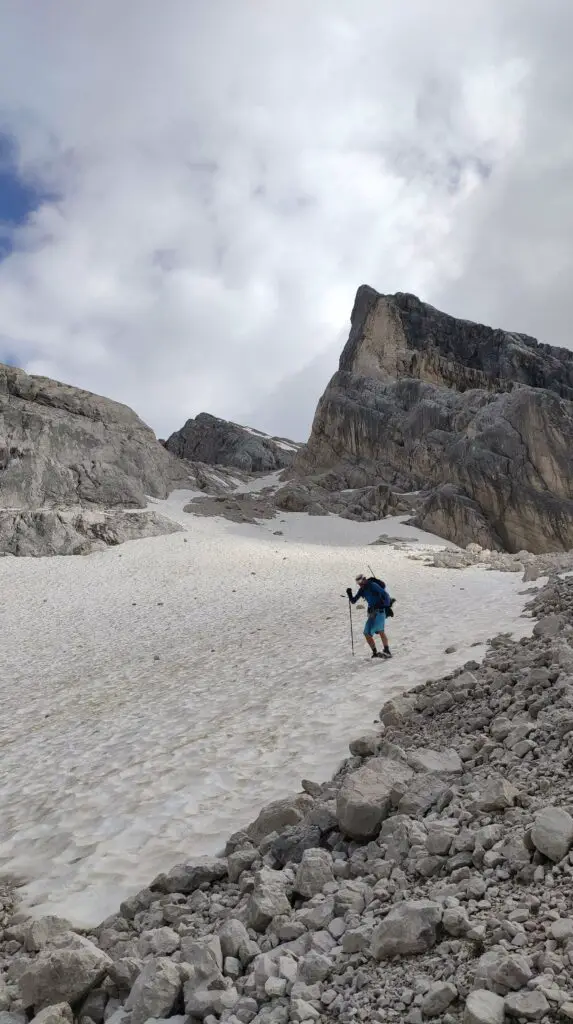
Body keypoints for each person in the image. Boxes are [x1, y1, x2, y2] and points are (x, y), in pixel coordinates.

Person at [346, 573, 392, 659]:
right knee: (366, 632)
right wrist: (349, 594)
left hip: (380, 611)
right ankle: (375, 652)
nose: (359, 583)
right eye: (358, 582)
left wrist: (386, 605)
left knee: (380, 630)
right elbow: (353, 601)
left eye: (360, 581)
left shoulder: (373, 585)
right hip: (372, 613)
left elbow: (384, 594)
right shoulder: (362, 590)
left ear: (364, 579)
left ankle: (387, 650)